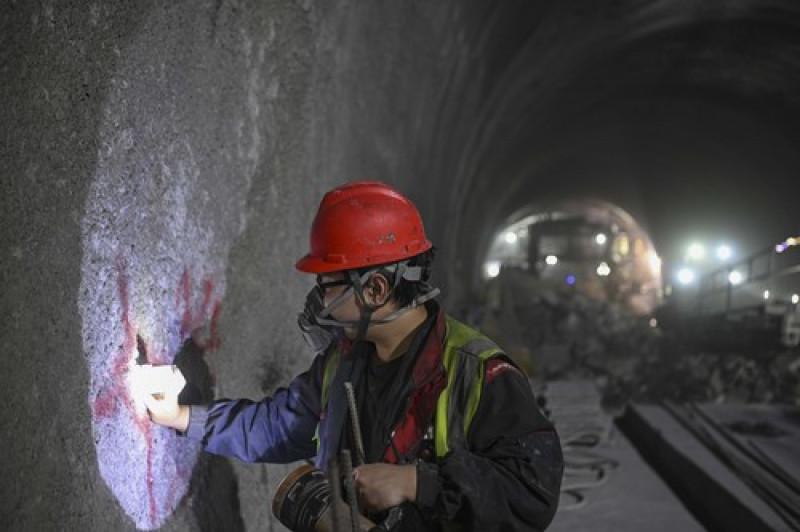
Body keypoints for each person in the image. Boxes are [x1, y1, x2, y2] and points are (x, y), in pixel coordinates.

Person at [139, 180, 563, 531]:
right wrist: (181, 417)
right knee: (302, 495)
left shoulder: (480, 374)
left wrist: (419, 483)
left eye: (328, 283)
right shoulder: (343, 364)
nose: (317, 298)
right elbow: (276, 426)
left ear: (375, 289)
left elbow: (532, 493)